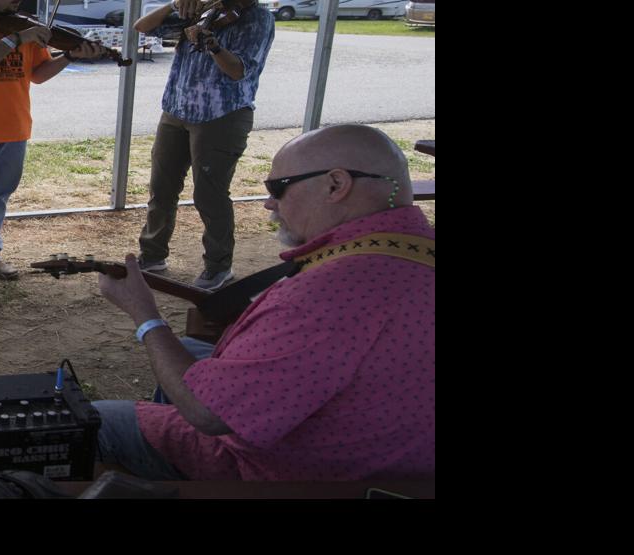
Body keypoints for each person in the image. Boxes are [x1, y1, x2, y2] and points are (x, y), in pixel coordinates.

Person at [90, 124, 434, 481]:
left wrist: (145, 316)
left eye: (278, 188)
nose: (270, 202)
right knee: (191, 347)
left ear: (336, 184)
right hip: (399, 451)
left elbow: (207, 412)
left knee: (94, 422)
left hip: (298, 472)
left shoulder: (330, 295)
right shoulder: (413, 250)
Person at [0, 0, 106, 291]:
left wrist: (69, 57)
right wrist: (15, 39)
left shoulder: (25, 27)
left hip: (14, 126)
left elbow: (38, 74)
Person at [132, 0, 274, 293]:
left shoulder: (257, 18)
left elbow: (239, 70)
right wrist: (176, 4)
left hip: (222, 114)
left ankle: (219, 266)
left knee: (209, 194)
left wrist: (212, 45)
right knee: (162, 188)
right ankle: (152, 256)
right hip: (176, 109)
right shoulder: (203, 9)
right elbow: (142, 27)